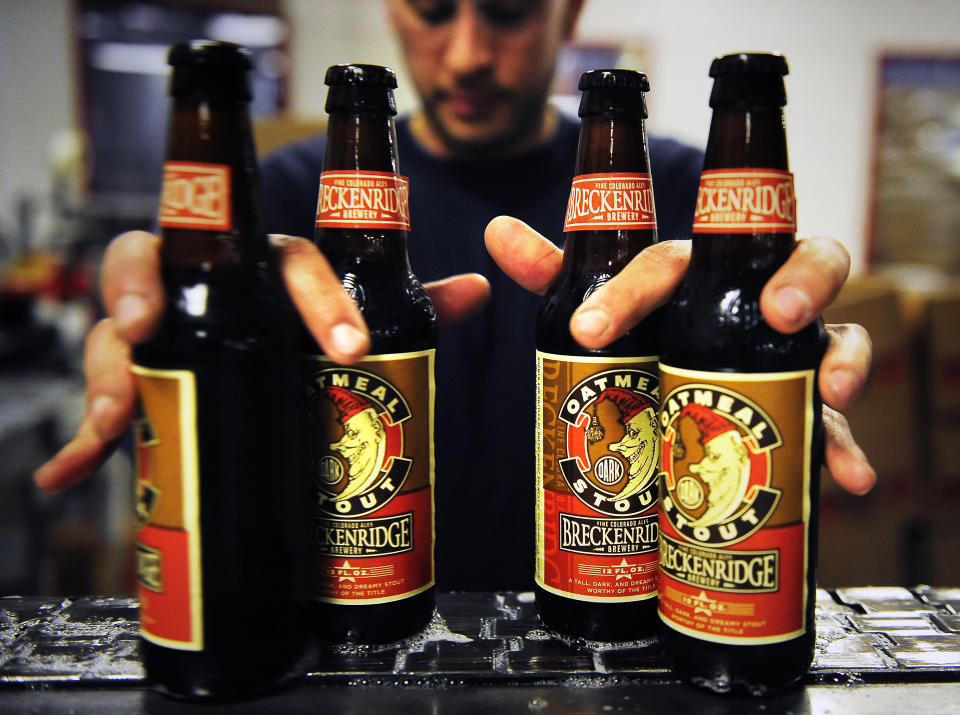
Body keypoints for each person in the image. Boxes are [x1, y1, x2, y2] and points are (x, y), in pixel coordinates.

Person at [34, 0, 875, 592]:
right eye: (435, 9)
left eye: (507, 10)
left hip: (618, 637)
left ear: (568, 11)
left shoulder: (683, 188)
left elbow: (754, 319)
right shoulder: (288, 201)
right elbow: (194, 332)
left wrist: (769, 349)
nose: (469, 51)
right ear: (393, 11)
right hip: (353, 636)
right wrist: (169, 339)